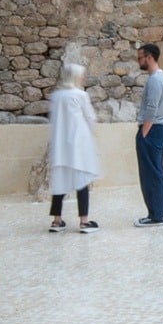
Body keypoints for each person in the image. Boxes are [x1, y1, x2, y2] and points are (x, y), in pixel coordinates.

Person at [45, 62, 101, 232]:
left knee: (60, 179)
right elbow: (90, 117)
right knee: (82, 179)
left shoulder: (57, 96)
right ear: (76, 76)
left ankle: (57, 220)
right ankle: (84, 221)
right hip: (79, 142)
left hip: (60, 143)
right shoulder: (80, 95)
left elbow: (54, 119)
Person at [133, 42, 163, 226]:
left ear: (149, 57)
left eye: (140, 57)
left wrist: (143, 134)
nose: (138, 61)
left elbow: (152, 108)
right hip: (159, 129)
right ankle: (159, 212)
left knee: (150, 174)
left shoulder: (155, 80)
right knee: (157, 172)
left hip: (152, 129)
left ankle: (155, 215)